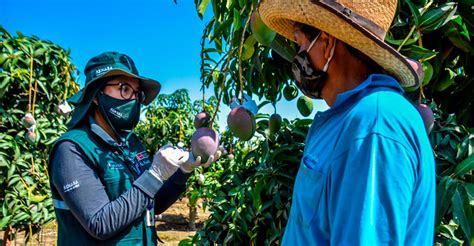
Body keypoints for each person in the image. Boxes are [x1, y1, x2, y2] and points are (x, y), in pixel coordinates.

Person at [259, 0, 435, 245]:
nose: (298, 56)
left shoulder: (376, 123)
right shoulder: (348, 118)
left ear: (328, 42)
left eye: (300, 44)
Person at [48, 51, 220, 245]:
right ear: (96, 95)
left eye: (137, 93)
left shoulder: (131, 143)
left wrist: (183, 171)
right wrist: (154, 175)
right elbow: (99, 223)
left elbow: (152, 203)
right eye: (124, 88)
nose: (133, 99)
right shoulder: (72, 149)